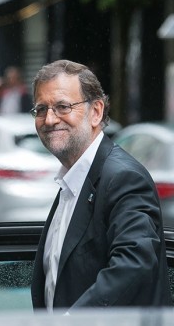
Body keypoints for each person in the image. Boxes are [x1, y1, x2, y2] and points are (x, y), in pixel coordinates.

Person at [29, 59, 172, 312]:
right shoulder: (72, 180)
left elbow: (134, 265)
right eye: (41, 109)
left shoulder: (123, 178)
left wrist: (73, 321)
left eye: (63, 107)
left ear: (96, 112)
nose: (49, 119)